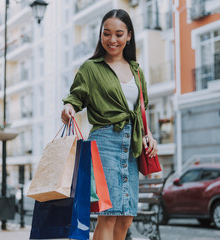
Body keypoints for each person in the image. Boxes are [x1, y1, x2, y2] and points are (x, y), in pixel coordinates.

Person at [61, 9, 158, 240]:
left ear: (129, 36)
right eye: (107, 34)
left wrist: (149, 134)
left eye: (118, 34)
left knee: (126, 216)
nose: (112, 39)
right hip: (104, 143)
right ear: (101, 35)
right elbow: (75, 98)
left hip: (132, 147)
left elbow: (140, 110)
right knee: (109, 214)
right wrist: (68, 108)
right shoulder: (91, 68)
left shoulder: (137, 70)